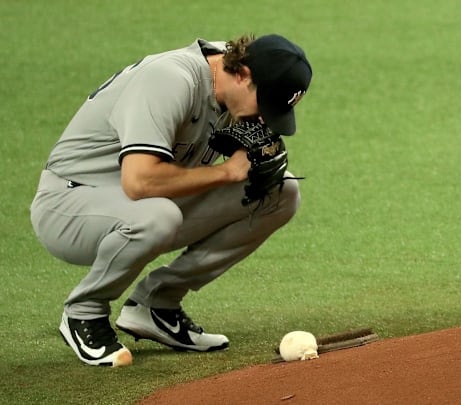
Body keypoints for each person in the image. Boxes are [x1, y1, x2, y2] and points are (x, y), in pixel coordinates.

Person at [29, 33, 312, 367]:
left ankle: (156, 305)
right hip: (67, 204)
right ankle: (84, 312)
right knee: (158, 215)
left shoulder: (230, 78)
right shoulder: (170, 80)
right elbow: (139, 181)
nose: (264, 119)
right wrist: (226, 173)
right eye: (265, 106)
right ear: (243, 74)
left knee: (280, 192)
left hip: (143, 204)